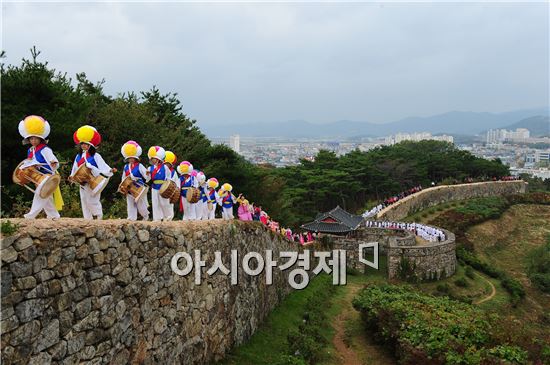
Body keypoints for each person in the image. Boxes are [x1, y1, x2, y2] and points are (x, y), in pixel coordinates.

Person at [17, 115, 63, 219]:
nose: (33, 140)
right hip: (38, 176)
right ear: (29, 139)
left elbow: (54, 161)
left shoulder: (45, 149)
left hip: (47, 176)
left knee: (39, 193)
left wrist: (53, 163)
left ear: (40, 139)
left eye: (35, 138)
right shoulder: (30, 151)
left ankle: (31, 215)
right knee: (46, 196)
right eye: (31, 138)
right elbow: (28, 163)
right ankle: (54, 215)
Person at [70, 125, 115, 220]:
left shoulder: (96, 156)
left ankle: (98, 215)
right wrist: (72, 176)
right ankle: (87, 218)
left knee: (92, 200)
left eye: (86, 144)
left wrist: (110, 170)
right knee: (84, 200)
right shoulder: (78, 156)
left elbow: (103, 166)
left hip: (92, 181)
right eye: (82, 144)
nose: (83, 145)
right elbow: (75, 167)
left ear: (90, 145)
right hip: (82, 182)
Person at [120, 140, 149, 221]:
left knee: (140, 203)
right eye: (129, 158)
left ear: (136, 158)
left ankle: (145, 216)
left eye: (132, 158)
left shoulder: (140, 165)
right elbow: (123, 177)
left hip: (139, 186)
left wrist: (147, 174)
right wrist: (123, 185)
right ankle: (131, 218)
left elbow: (146, 176)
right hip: (129, 186)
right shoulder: (126, 167)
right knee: (130, 202)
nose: (131, 159)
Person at [147, 146, 172, 221]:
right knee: (155, 203)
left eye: (154, 158)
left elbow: (169, 177)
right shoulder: (150, 168)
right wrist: (147, 174)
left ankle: (168, 217)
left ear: (158, 159)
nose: (153, 160)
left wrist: (168, 186)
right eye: (152, 158)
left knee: (164, 203)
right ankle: (156, 219)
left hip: (163, 186)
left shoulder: (164, 167)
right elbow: (147, 180)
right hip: (154, 186)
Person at [163, 151, 179, 221]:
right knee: (162, 204)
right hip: (162, 189)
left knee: (169, 205)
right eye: (165, 163)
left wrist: (176, 190)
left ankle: (169, 218)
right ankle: (163, 218)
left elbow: (177, 182)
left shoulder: (174, 172)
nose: (166, 165)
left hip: (171, 190)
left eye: (168, 164)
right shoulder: (161, 170)